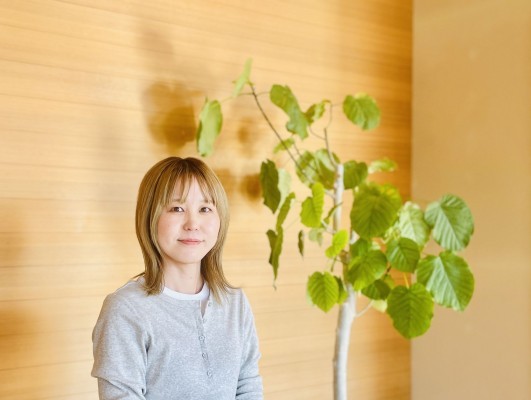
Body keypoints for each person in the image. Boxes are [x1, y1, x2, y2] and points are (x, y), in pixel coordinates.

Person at [91, 157, 263, 399]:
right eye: (177, 209)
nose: (193, 224)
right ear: (150, 217)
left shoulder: (235, 302)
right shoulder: (126, 310)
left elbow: (248, 385)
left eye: (205, 209)